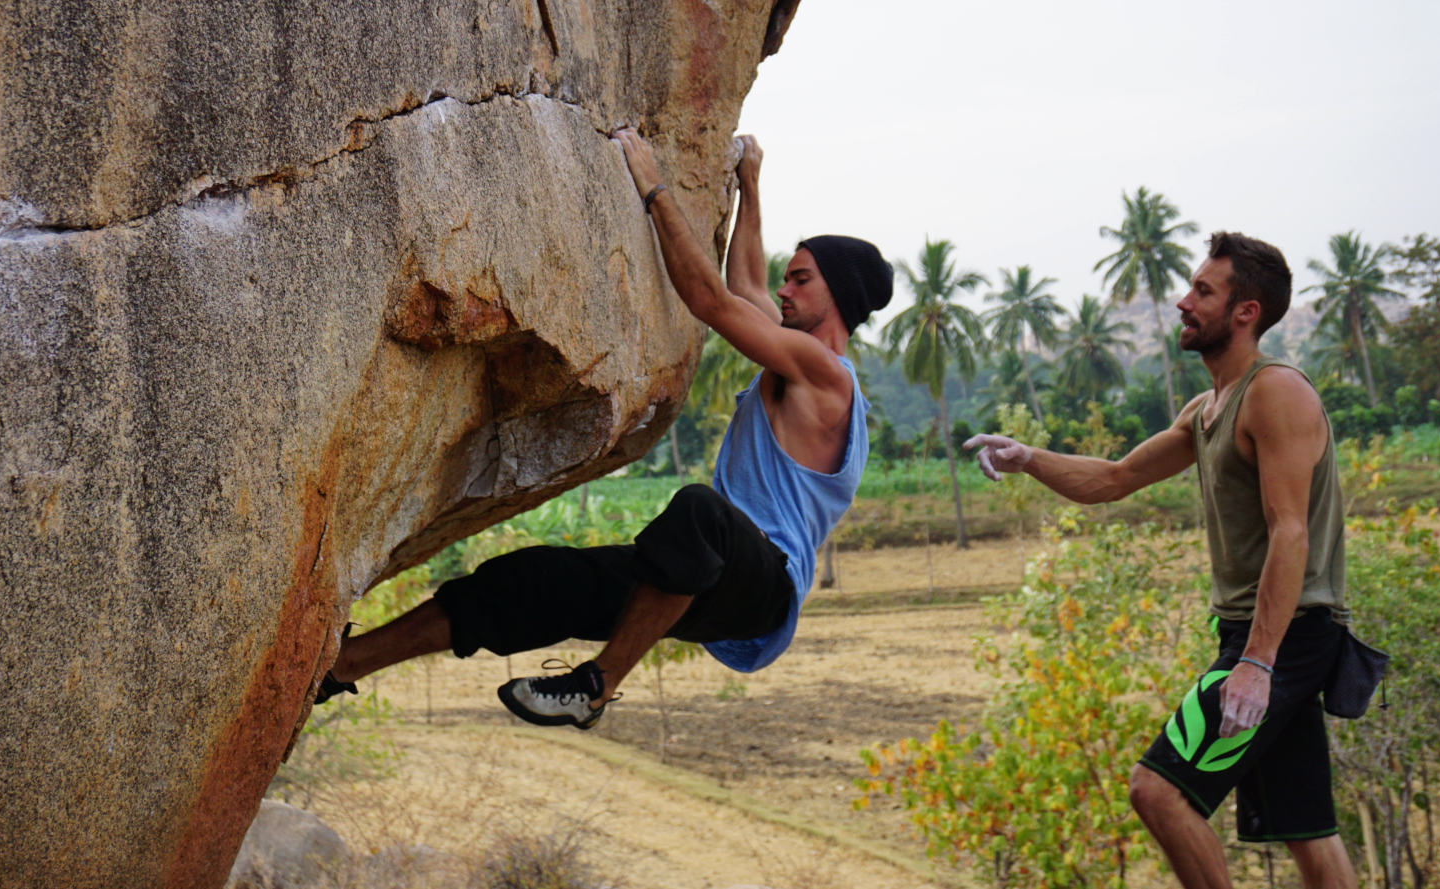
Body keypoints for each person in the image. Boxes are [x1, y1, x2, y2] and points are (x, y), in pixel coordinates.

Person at [313, 129, 892, 730]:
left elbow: (712, 302)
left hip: (760, 585)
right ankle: (346, 665)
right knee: (532, 581)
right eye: (788, 277)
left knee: (701, 512)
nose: (784, 290)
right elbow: (744, 287)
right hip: (706, 575)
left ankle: (595, 685)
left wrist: (654, 189)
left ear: (839, 294)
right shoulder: (797, 357)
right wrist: (750, 183)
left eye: (801, 280)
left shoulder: (827, 376)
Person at [964, 232, 1357, 889]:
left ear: (1246, 312)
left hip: (1286, 636)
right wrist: (1028, 457)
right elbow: (1115, 478)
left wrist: (1257, 663)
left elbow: (1290, 532)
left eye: (1203, 290)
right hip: (1261, 636)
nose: (1183, 301)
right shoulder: (1207, 409)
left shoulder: (1276, 392)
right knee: (1306, 828)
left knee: (1157, 790)